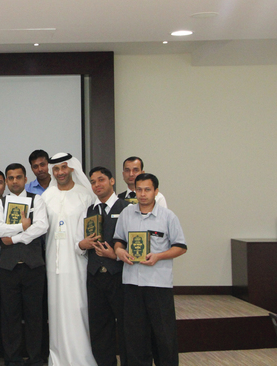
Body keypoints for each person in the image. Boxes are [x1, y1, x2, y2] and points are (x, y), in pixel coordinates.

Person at [113, 173, 187, 366]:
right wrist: (119, 251)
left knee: (164, 335)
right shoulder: (126, 214)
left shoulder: (168, 216)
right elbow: (118, 240)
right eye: (139, 190)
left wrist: (158, 256)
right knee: (135, 336)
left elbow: (181, 247)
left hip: (158, 284)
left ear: (156, 191)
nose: (143, 194)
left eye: (147, 190)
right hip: (131, 283)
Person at [40, 153, 97, 366]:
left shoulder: (86, 195)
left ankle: (81, 358)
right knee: (56, 311)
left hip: (78, 263)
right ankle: (58, 358)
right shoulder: (47, 196)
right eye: (56, 169)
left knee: (78, 308)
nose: (60, 172)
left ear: (72, 168)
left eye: (64, 167)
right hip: (53, 264)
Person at [0, 163, 48, 366]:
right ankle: (12, 359)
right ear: (7, 181)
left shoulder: (36, 200)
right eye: (11, 178)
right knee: (9, 316)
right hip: (8, 269)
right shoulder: (0, 203)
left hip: (34, 267)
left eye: (18, 177)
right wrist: (21, 226)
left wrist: (13, 238)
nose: (15, 181)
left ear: (25, 179)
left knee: (35, 316)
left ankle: (36, 358)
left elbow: (41, 226)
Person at [78, 166, 130, 366]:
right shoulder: (89, 210)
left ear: (112, 181)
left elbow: (136, 243)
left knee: (126, 326)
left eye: (101, 180)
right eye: (93, 182)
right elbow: (79, 243)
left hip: (120, 276)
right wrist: (82, 245)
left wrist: (115, 255)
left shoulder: (127, 208)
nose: (97, 185)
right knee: (99, 328)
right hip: (95, 277)